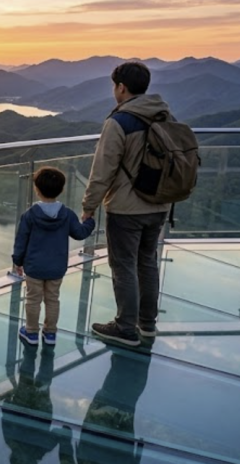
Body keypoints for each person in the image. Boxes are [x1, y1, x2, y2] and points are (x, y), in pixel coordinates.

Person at [81, 61, 173, 347]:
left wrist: (89, 205)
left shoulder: (119, 121)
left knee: (123, 266)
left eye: (115, 86)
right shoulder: (164, 115)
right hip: (160, 205)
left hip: (126, 209)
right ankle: (147, 324)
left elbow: (103, 170)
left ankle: (125, 328)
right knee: (147, 262)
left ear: (121, 87)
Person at [13, 166, 96, 345]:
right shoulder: (67, 214)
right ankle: (50, 333)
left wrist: (17, 261)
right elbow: (80, 233)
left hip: (34, 267)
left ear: (36, 189)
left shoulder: (30, 215)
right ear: (61, 189)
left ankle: (31, 333)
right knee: (52, 299)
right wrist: (89, 222)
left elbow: (21, 241)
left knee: (33, 299)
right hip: (56, 267)